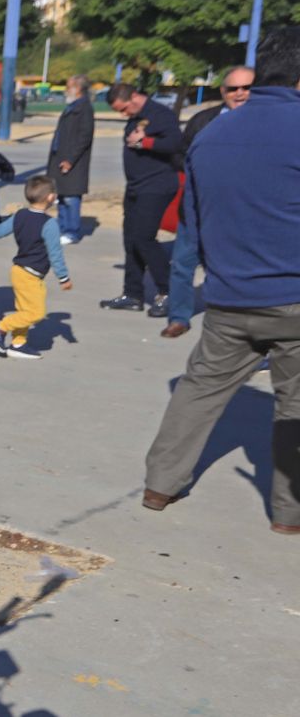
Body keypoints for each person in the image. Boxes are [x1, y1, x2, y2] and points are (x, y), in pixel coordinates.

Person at [140, 27, 300, 534]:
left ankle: (159, 485)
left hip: (229, 297)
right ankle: (288, 513)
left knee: (199, 389)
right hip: (293, 299)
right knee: (295, 405)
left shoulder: (211, 134)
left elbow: (192, 225)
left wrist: (202, 286)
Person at [161, 66, 253, 339]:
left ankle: (230, 322)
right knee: (182, 265)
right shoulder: (203, 120)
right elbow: (178, 155)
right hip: (196, 210)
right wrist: (200, 167)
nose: (240, 94)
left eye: (246, 88)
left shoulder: (266, 123)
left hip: (240, 213)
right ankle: (178, 317)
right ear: (223, 91)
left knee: (231, 270)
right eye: (233, 88)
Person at [101, 83, 182, 314]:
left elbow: (176, 143)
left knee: (144, 238)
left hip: (157, 185)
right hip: (136, 187)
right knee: (131, 240)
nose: (123, 114)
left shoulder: (161, 114)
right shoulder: (135, 116)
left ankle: (169, 291)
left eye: (124, 108)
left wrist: (146, 142)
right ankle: (132, 294)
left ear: (135, 96)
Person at [0, 176, 72, 359]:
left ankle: (18, 344)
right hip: (31, 275)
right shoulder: (50, 224)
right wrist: (63, 277)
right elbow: (55, 253)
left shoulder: (20, 215)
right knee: (36, 312)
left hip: (18, 271)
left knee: (24, 310)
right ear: (51, 197)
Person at [47, 74, 95, 244]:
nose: (66, 90)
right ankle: (62, 228)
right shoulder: (72, 106)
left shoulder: (84, 108)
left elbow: (84, 137)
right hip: (60, 157)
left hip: (73, 161)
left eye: (68, 86)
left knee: (71, 197)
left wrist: (70, 159)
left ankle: (71, 231)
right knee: (61, 196)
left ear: (78, 88)